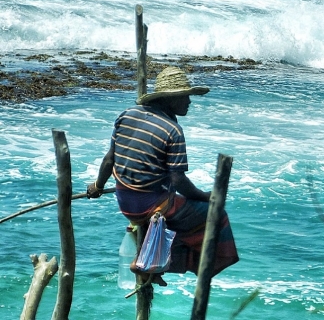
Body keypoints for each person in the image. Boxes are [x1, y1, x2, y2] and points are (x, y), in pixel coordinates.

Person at [87, 66, 239, 284]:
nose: (189, 102)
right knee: (216, 216)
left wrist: (98, 186)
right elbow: (178, 180)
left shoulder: (126, 115)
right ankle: (149, 263)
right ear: (171, 99)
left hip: (125, 202)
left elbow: (109, 159)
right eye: (185, 97)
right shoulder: (172, 131)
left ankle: (153, 264)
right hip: (150, 206)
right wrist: (205, 197)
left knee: (177, 214)